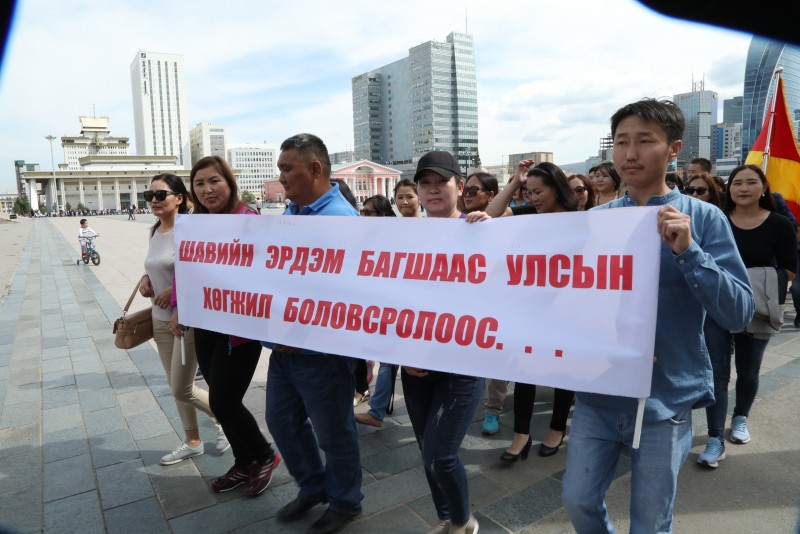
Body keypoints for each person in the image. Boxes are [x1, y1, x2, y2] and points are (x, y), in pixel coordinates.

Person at [561, 98, 754, 533]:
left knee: (650, 520)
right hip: (599, 392)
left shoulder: (703, 219)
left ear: (674, 149)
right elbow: (564, 297)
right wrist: (485, 235)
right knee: (577, 500)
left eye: (645, 141)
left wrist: (690, 252)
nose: (630, 153)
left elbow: (739, 312)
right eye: (621, 142)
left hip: (665, 398)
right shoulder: (596, 221)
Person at [262, 134, 363, 534]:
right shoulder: (293, 212)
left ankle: (345, 502)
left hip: (321, 355)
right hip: (283, 350)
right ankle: (313, 486)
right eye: (280, 169)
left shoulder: (340, 221)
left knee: (334, 433)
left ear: (315, 169)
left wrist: (303, 331)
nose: (281, 177)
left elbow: (347, 295)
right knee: (281, 421)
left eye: (287, 169)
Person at [170, 156, 281, 497]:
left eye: (214, 181)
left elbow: (268, 271)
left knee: (225, 401)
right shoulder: (194, 224)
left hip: (239, 330)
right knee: (220, 401)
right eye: (199, 183)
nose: (207, 189)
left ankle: (264, 455)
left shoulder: (249, 221)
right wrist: (177, 305)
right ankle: (244, 461)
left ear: (229, 183)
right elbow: (183, 267)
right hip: (205, 326)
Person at [404, 150, 488, 534]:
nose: (434, 190)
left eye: (442, 182)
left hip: (462, 365)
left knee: (441, 454)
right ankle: (447, 518)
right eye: (426, 183)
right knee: (427, 451)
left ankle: (463, 521)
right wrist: (400, 352)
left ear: (460, 186)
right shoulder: (402, 237)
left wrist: (494, 234)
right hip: (416, 366)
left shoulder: (480, 230)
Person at [698, 164, 796, 469]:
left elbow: (789, 269)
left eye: (751, 182)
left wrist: (748, 283)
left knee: (748, 369)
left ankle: (741, 416)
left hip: (757, 305)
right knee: (717, 371)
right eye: (736, 183)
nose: (742, 188)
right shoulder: (717, 219)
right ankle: (715, 438)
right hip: (716, 304)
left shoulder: (780, 224)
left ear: (764, 187)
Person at [138, 174, 229, 466]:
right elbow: (153, 265)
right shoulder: (155, 230)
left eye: (160, 194)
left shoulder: (190, 230)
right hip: (159, 320)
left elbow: (203, 270)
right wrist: (144, 279)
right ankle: (193, 442)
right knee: (175, 386)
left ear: (179, 198)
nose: (153, 200)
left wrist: (173, 290)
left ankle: (229, 420)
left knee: (182, 387)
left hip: (185, 320)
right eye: (149, 196)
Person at [500, 162, 578, 462]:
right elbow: (492, 215)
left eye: (538, 192)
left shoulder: (581, 220)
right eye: (527, 192)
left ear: (556, 189)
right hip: (530, 306)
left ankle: (557, 428)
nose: (531, 198)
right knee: (523, 369)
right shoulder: (528, 214)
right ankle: (521, 433)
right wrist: (513, 184)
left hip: (567, 307)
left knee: (563, 370)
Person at [356, 182, 421, 429]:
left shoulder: (433, 225)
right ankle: (377, 410)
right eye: (400, 197)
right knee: (388, 359)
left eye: (409, 196)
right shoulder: (386, 231)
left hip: (416, 306)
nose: (404, 202)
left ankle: (378, 410)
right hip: (391, 304)